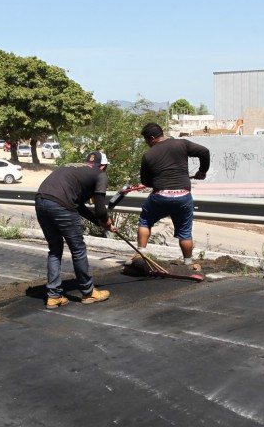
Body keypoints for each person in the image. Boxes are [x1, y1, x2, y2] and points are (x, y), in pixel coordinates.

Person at [35, 150, 115, 308]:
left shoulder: (74, 169)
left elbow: (78, 206)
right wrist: (106, 221)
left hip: (41, 202)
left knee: (55, 249)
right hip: (60, 205)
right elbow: (100, 210)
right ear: (103, 166)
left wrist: (99, 222)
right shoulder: (100, 174)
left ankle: (54, 296)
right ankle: (88, 292)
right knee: (77, 249)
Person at [133, 122, 210, 270]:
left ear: (152, 138)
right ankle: (188, 264)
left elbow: (145, 181)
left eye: (147, 140)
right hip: (183, 196)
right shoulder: (181, 144)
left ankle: (140, 254)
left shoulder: (148, 155)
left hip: (160, 195)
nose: (147, 143)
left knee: (145, 221)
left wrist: (156, 181)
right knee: (185, 232)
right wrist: (203, 170)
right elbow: (204, 152)